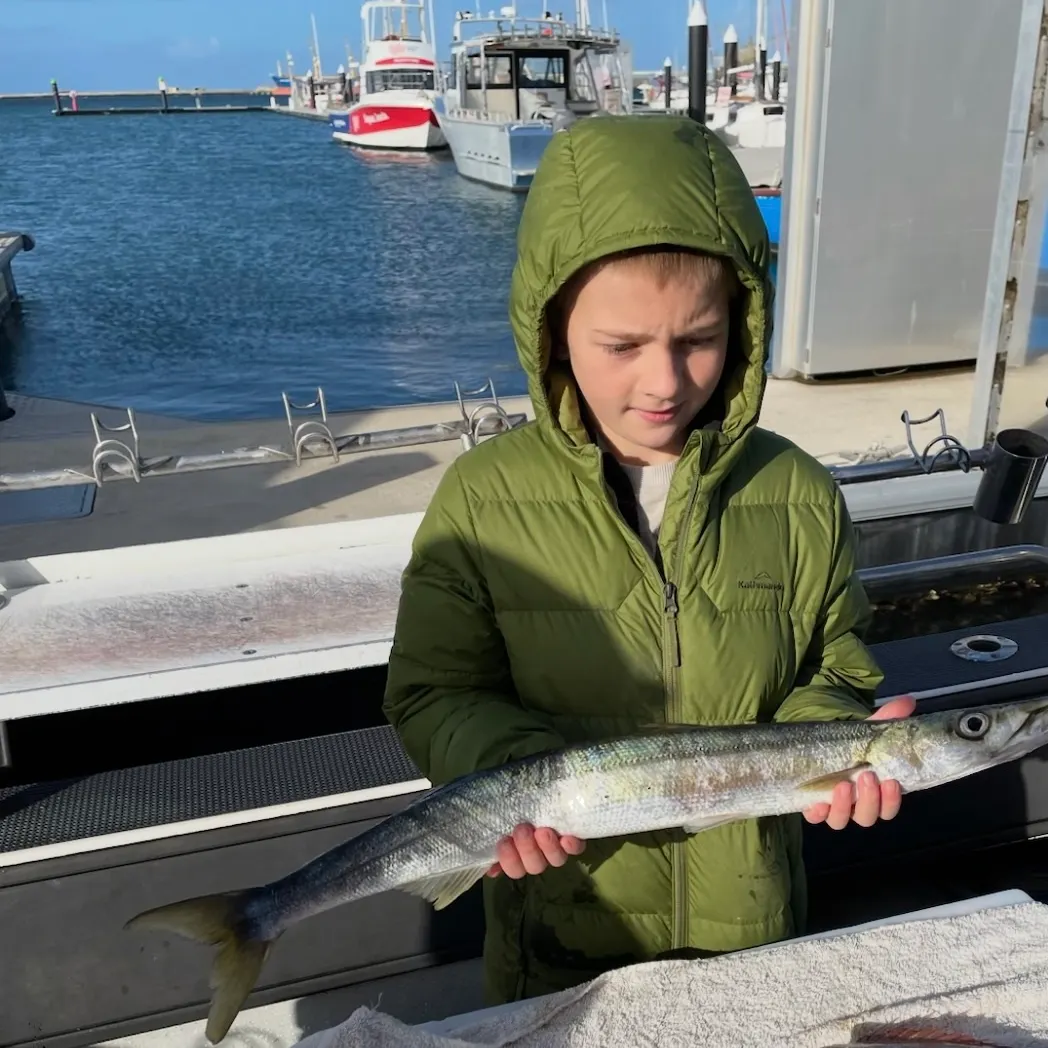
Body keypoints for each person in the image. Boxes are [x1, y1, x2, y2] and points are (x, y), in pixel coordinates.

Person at [383, 114, 915, 1005]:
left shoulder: (798, 493)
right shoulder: (481, 499)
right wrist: (511, 773)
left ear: (741, 328)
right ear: (552, 331)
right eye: (622, 347)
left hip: (753, 932)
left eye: (698, 340)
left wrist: (837, 751)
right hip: (557, 934)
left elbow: (835, 663)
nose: (665, 381)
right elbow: (432, 691)